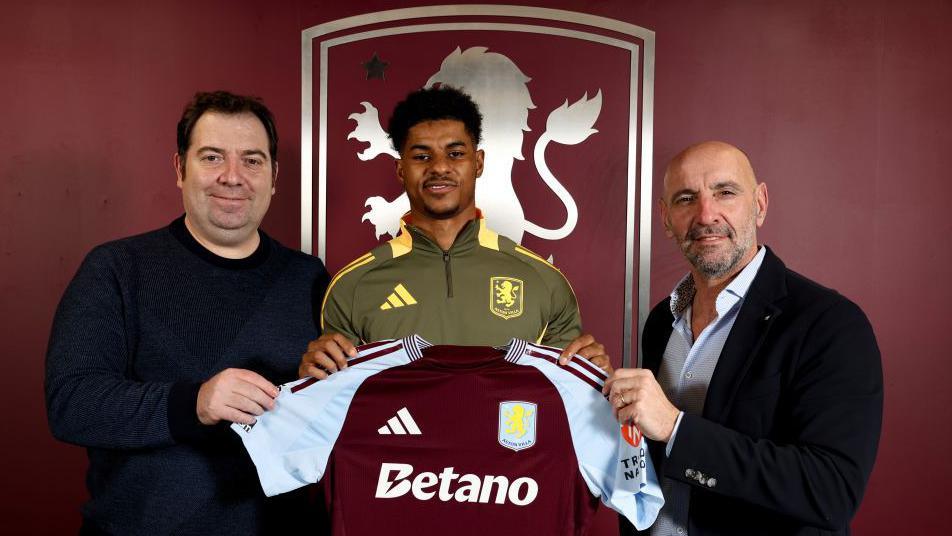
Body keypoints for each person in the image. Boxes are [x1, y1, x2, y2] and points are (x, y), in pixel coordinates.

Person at [45, 91, 330, 535]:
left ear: (274, 176)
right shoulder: (117, 269)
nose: (233, 177)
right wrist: (192, 403)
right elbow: (72, 404)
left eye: (252, 161)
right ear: (180, 169)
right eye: (212, 157)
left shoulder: (309, 276)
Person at [604, 141, 882, 535]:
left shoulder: (830, 324)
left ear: (760, 204)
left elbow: (830, 491)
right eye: (686, 199)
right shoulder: (661, 322)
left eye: (725, 192)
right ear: (666, 219)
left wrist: (676, 429)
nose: (706, 214)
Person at [299, 86, 609, 377]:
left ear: (479, 163)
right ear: (400, 170)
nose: (439, 167)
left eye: (455, 153)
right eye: (422, 156)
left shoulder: (545, 282)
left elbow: (566, 399)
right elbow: (337, 406)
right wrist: (314, 377)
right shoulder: (352, 287)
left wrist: (592, 374)